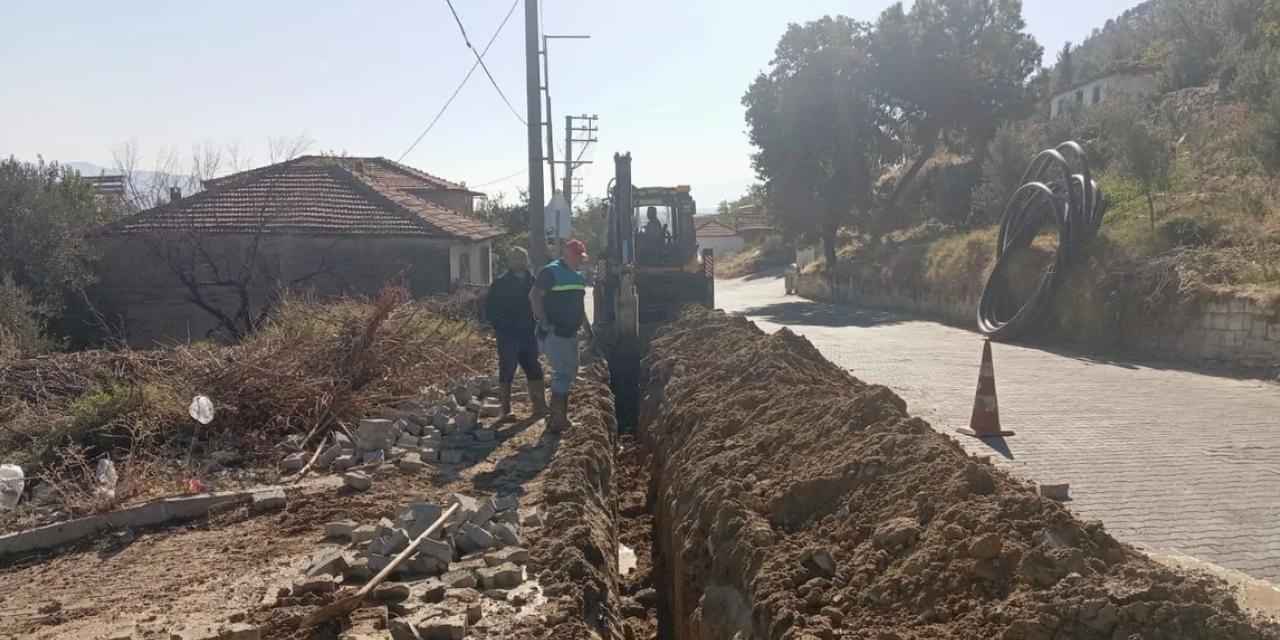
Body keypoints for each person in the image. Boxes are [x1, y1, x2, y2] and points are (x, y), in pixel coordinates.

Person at [529, 239, 590, 432]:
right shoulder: (551, 272)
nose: (580, 260)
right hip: (556, 332)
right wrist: (543, 321)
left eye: (582, 257)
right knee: (562, 374)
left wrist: (587, 330)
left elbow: (580, 307)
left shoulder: (578, 277)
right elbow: (534, 296)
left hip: (571, 333)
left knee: (570, 373)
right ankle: (557, 419)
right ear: (568, 254)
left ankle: (557, 415)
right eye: (577, 256)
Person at [484, 247, 547, 419]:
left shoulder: (533, 282)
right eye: (515, 258)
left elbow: (542, 304)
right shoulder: (500, 283)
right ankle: (506, 410)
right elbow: (489, 310)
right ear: (509, 261)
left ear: (527, 260)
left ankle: (539, 406)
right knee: (507, 369)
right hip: (508, 335)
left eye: (522, 258)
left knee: (534, 368)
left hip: (528, 333)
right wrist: (500, 327)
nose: (519, 261)